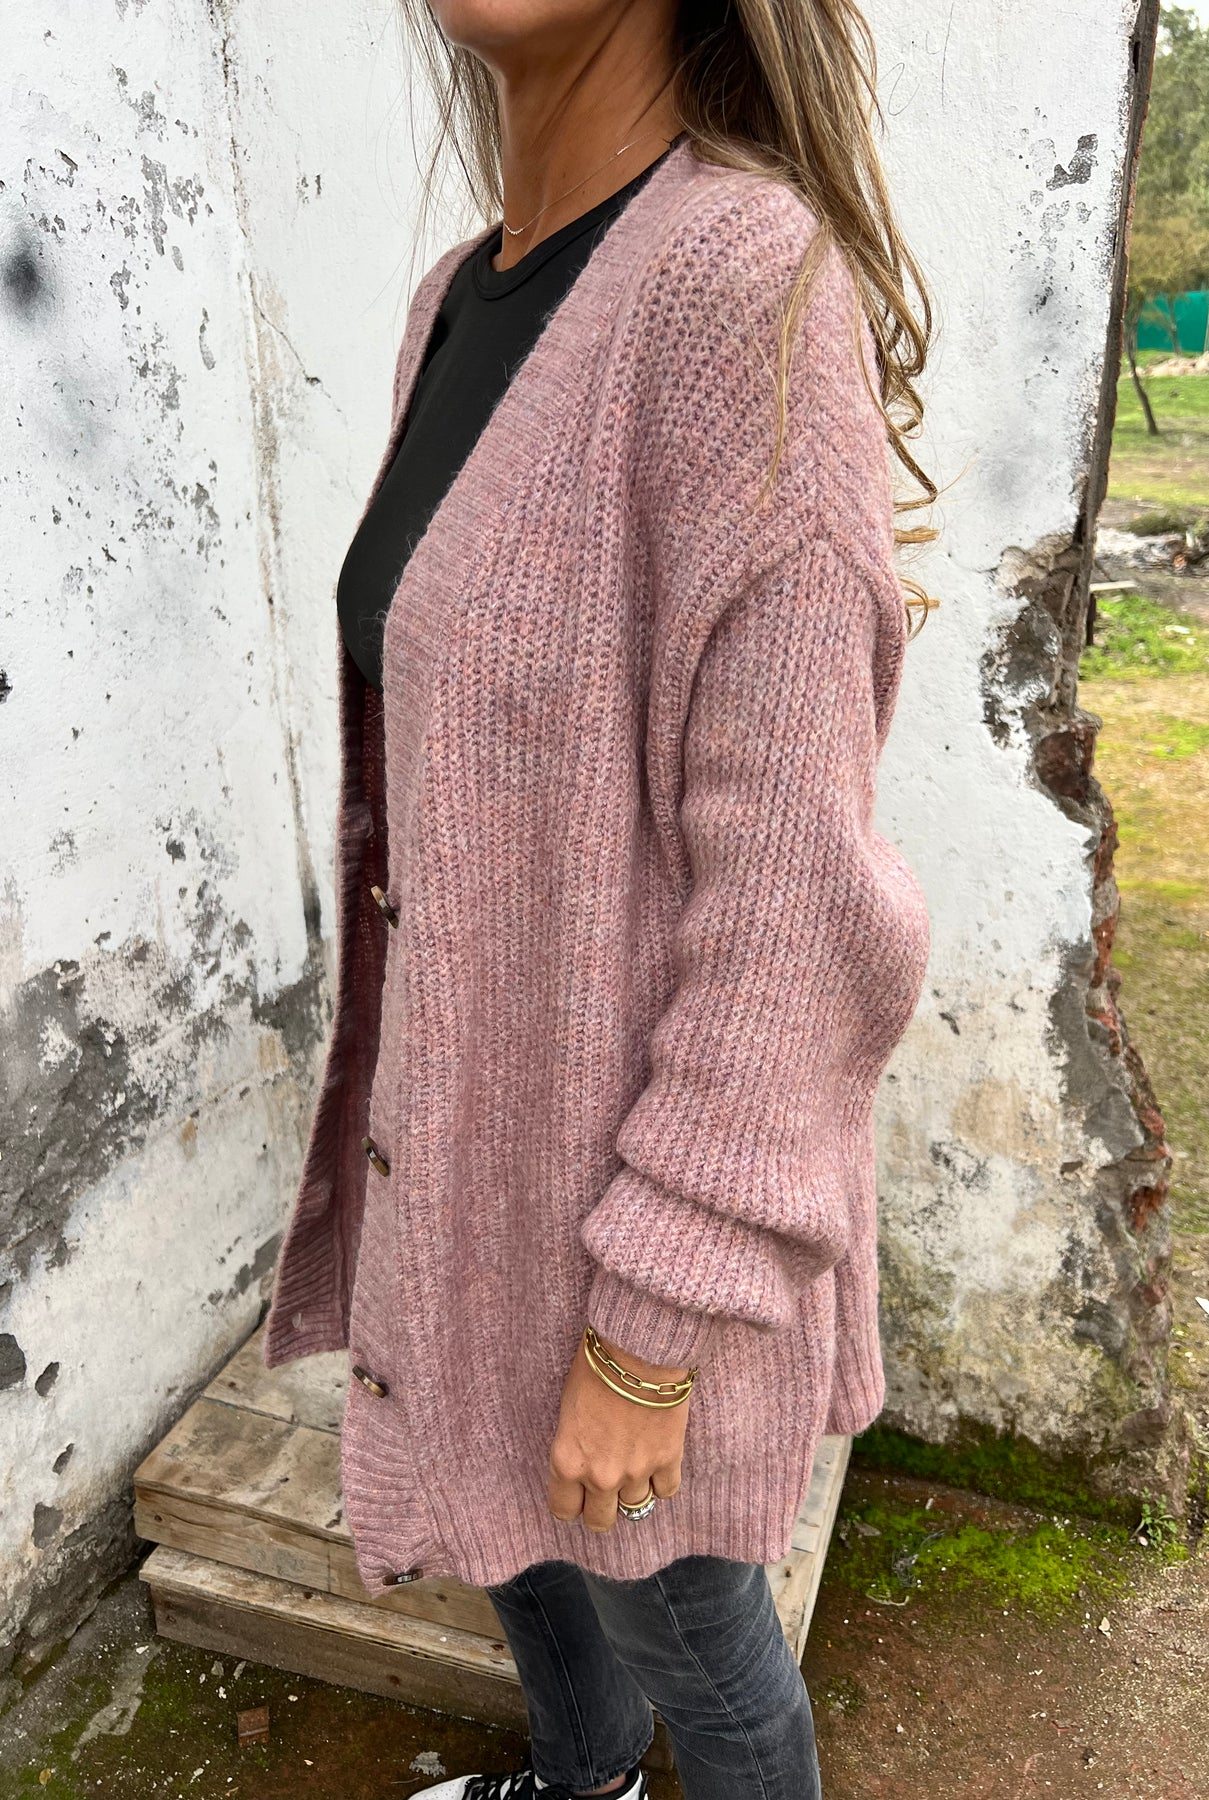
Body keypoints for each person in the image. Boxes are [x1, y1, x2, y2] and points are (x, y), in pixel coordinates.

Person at [261, 0, 934, 1795]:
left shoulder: (738, 282)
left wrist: (651, 1330)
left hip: (634, 1222)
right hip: (471, 1173)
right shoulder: (455, 301)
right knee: (511, 1537)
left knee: (696, 1646)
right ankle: (578, 1782)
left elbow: (795, 907)